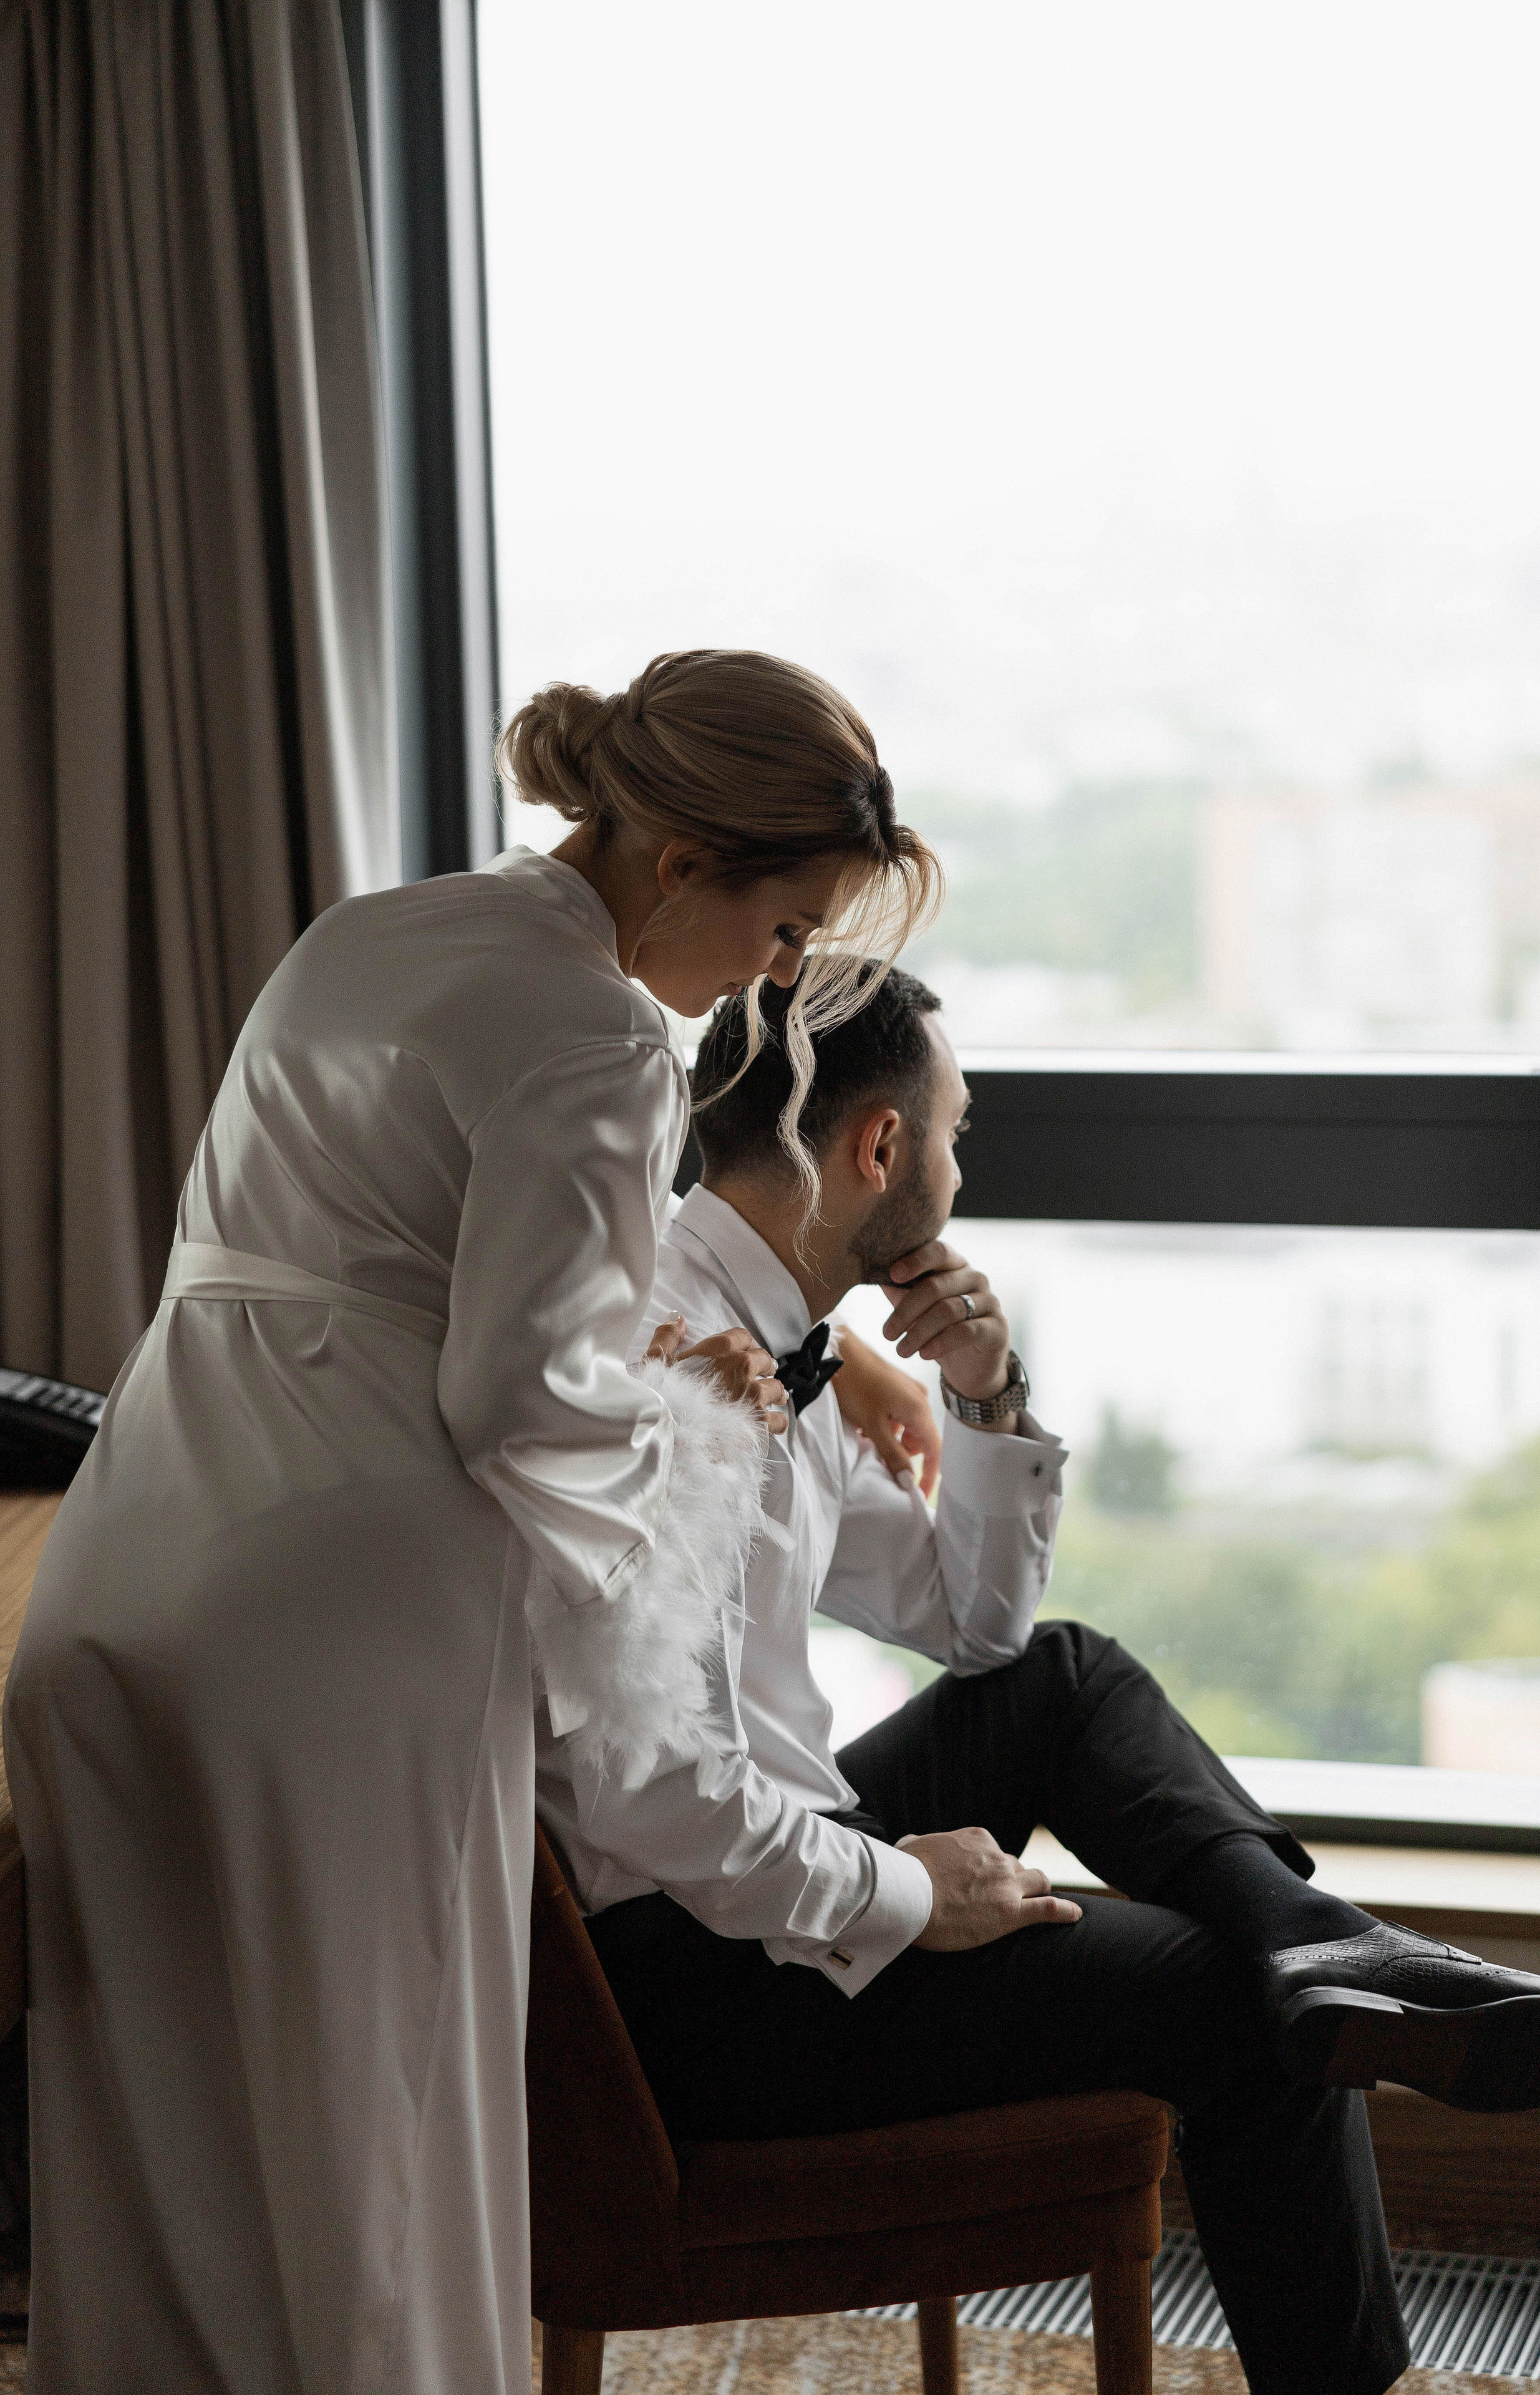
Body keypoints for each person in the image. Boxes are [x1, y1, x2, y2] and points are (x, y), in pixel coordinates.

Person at [2, 652, 941, 2395]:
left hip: (136, 1565)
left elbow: (399, 1281)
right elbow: (526, 1398)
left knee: (157, 2160)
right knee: (372, 2144)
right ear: (679, 866)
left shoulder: (372, 931)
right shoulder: (596, 1032)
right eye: (788, 925)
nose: (784, 974)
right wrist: (696, 1536)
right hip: (342, 1626)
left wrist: (795, 1366)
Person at [544, 965, 1540, 2395]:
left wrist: (983, 1391)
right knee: (1233, 2018)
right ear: (874, 1151)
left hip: (740, 1875)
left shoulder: (773, 1336)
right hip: (700, 1979)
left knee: (1057, 1677)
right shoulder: (676, 1374)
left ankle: (1317, 1941)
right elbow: (661, 1800)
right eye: (954, 1131)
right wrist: (917, 1894)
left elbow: (967, 1625)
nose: (961, 1165)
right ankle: (1310, 2073)